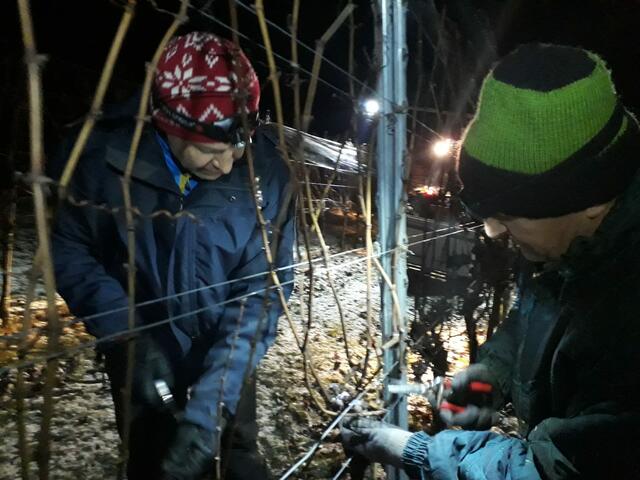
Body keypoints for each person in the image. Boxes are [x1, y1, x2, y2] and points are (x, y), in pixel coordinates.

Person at [341, 43, 640, 479]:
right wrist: (491, 374)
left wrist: (418, 451)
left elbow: (559, 467)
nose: (492, 231)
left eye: (510, 215)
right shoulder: (572, 245)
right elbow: (538, 314)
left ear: (591, 202)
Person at [51, 32, 294, 479]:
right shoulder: (102, 158)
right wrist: (127, 336)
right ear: (167, 123)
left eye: (237, 148)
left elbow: (262, 290)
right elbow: (70, 248)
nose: (225, 165)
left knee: (236, 462)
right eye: (208, 150)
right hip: (142, 365)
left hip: (227, 359)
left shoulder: (268, 176)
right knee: (154, 464)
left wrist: (213, 402)